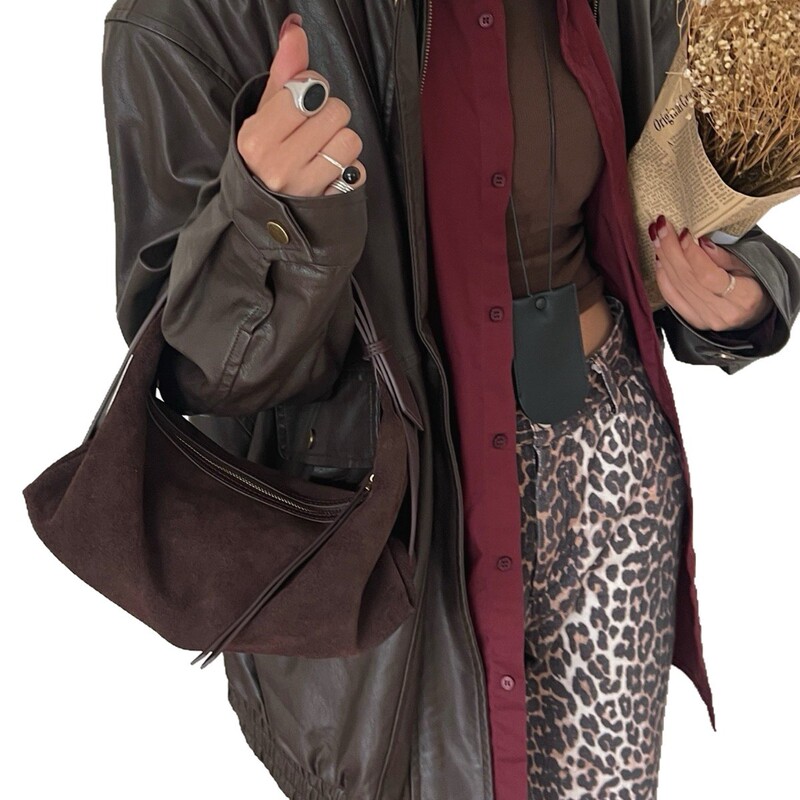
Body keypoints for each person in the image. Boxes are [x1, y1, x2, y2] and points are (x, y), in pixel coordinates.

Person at [100, 0, 800, 798]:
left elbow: (676, 184)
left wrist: (743, 293)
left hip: (610, 483)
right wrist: (267, 218)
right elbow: (193, 370)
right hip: (393, 517)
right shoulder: (189, 17)